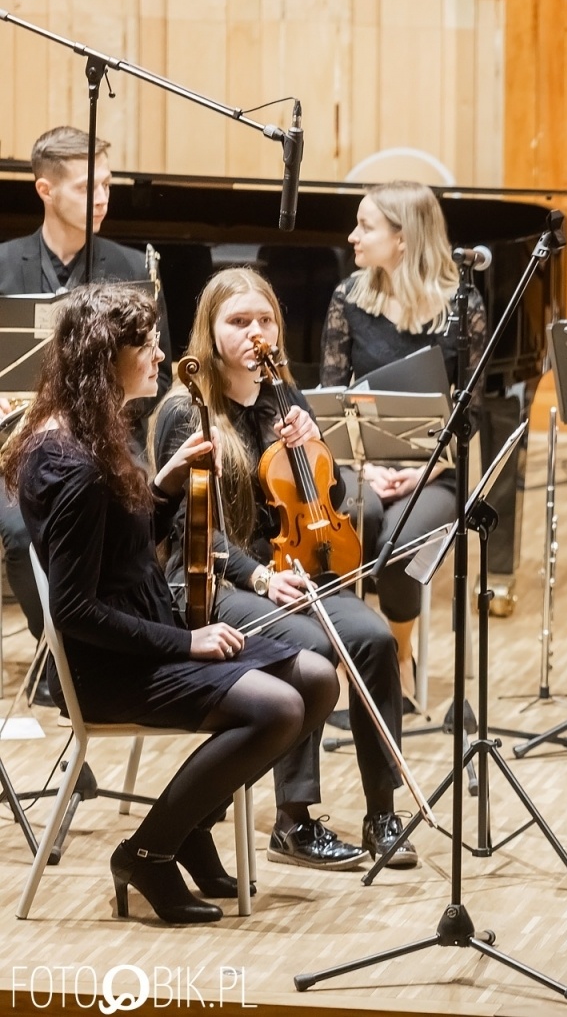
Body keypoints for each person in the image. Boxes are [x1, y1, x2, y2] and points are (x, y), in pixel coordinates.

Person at [1, 282, 335, 924]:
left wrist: (161, 487)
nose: (160, 354)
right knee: (278, 708)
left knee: (317, 678)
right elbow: (72, 610)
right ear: (106, 358)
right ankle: (150, 852)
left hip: (147, 631)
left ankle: (190, 829)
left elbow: (120, 551)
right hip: (114, 665)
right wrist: (189, 642)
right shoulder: (71, 464)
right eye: (146, 344)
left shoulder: (92, 434)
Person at [153, 267, 412, 871]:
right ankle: (293, 823)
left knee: (374, 640)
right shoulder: (186, 411)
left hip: (292, 573)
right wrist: (260, 577)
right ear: (210, 333)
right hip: (213, 582)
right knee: (312, 647)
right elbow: (190, 531)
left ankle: (382, 812)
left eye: (264, 320)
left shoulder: (285, 398)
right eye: (238, 322)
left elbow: (331, 492)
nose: (255, 334)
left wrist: (312, 444)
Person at [0, 126, 175, 644]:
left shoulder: (130, 268)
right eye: (85, 187)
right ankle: (62, 649)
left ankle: (127, 637)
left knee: (141, 516)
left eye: (106, 185)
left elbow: (157, 377)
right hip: (17, 445)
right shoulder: (4, 266)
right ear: (44, 190)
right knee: (17, 532)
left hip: (106, 438)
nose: (101, 199)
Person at [321, 180, 487, 710]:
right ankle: (352, 658)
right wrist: (361, 468)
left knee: (397, 546)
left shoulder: (463, 307)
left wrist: (425, 473)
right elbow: (330, 398)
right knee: (352, 522)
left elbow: (472, 411)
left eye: (365, 226)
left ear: (404, 238)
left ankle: (397, 656)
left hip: (432, 474)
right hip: (359, 466)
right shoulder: (349, 297)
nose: (352, 236)